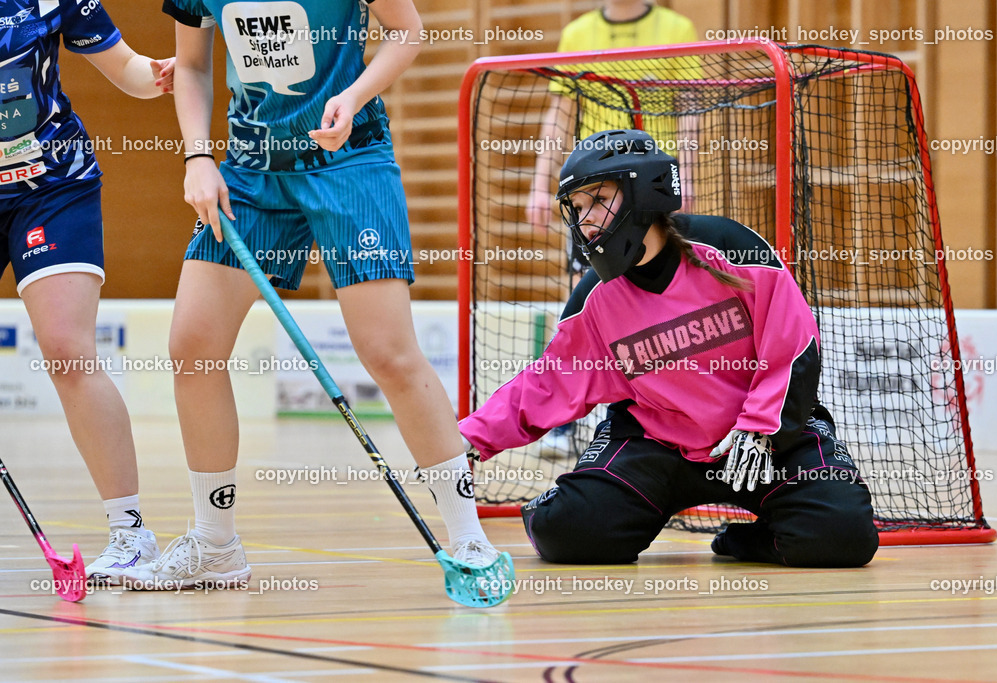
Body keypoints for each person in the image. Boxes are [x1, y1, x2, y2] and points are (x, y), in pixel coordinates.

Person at [126, 0, 504, 588]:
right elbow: (194, 66)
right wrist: (198, 155)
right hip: (250, 171)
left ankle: (469, 540)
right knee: (193, 347)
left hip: (348, 161)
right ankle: (216, 543)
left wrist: (352, 97)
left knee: (389, 353)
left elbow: (408, 32)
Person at [460, 129, 879, 567]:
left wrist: (761, 429)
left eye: (598, 200)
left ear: (643, 188)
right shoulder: (595, 298)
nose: (585, 220)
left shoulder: (732, 249)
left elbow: (794, 348)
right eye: (578, 208)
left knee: (842, 535)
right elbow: (548, 383)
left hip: (764, 439)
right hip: (656, 444)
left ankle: (744, 543)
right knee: (570, 532)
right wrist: (469, 441)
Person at [0, 1, 173, 583]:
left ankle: (130, 535)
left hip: (51, 185)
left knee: (68, 351)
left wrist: (162, 74)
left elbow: (125, 67)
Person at [527, 1, 700, 453]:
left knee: (662, 303)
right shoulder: (578, 34)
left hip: (652, 197)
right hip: (593, 200)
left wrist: (692, 177)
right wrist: (540, 185)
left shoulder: (677, 29)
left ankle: (667, 410)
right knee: (582, 300)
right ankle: (562, 421)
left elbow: (691, 117)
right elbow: (560, 114)